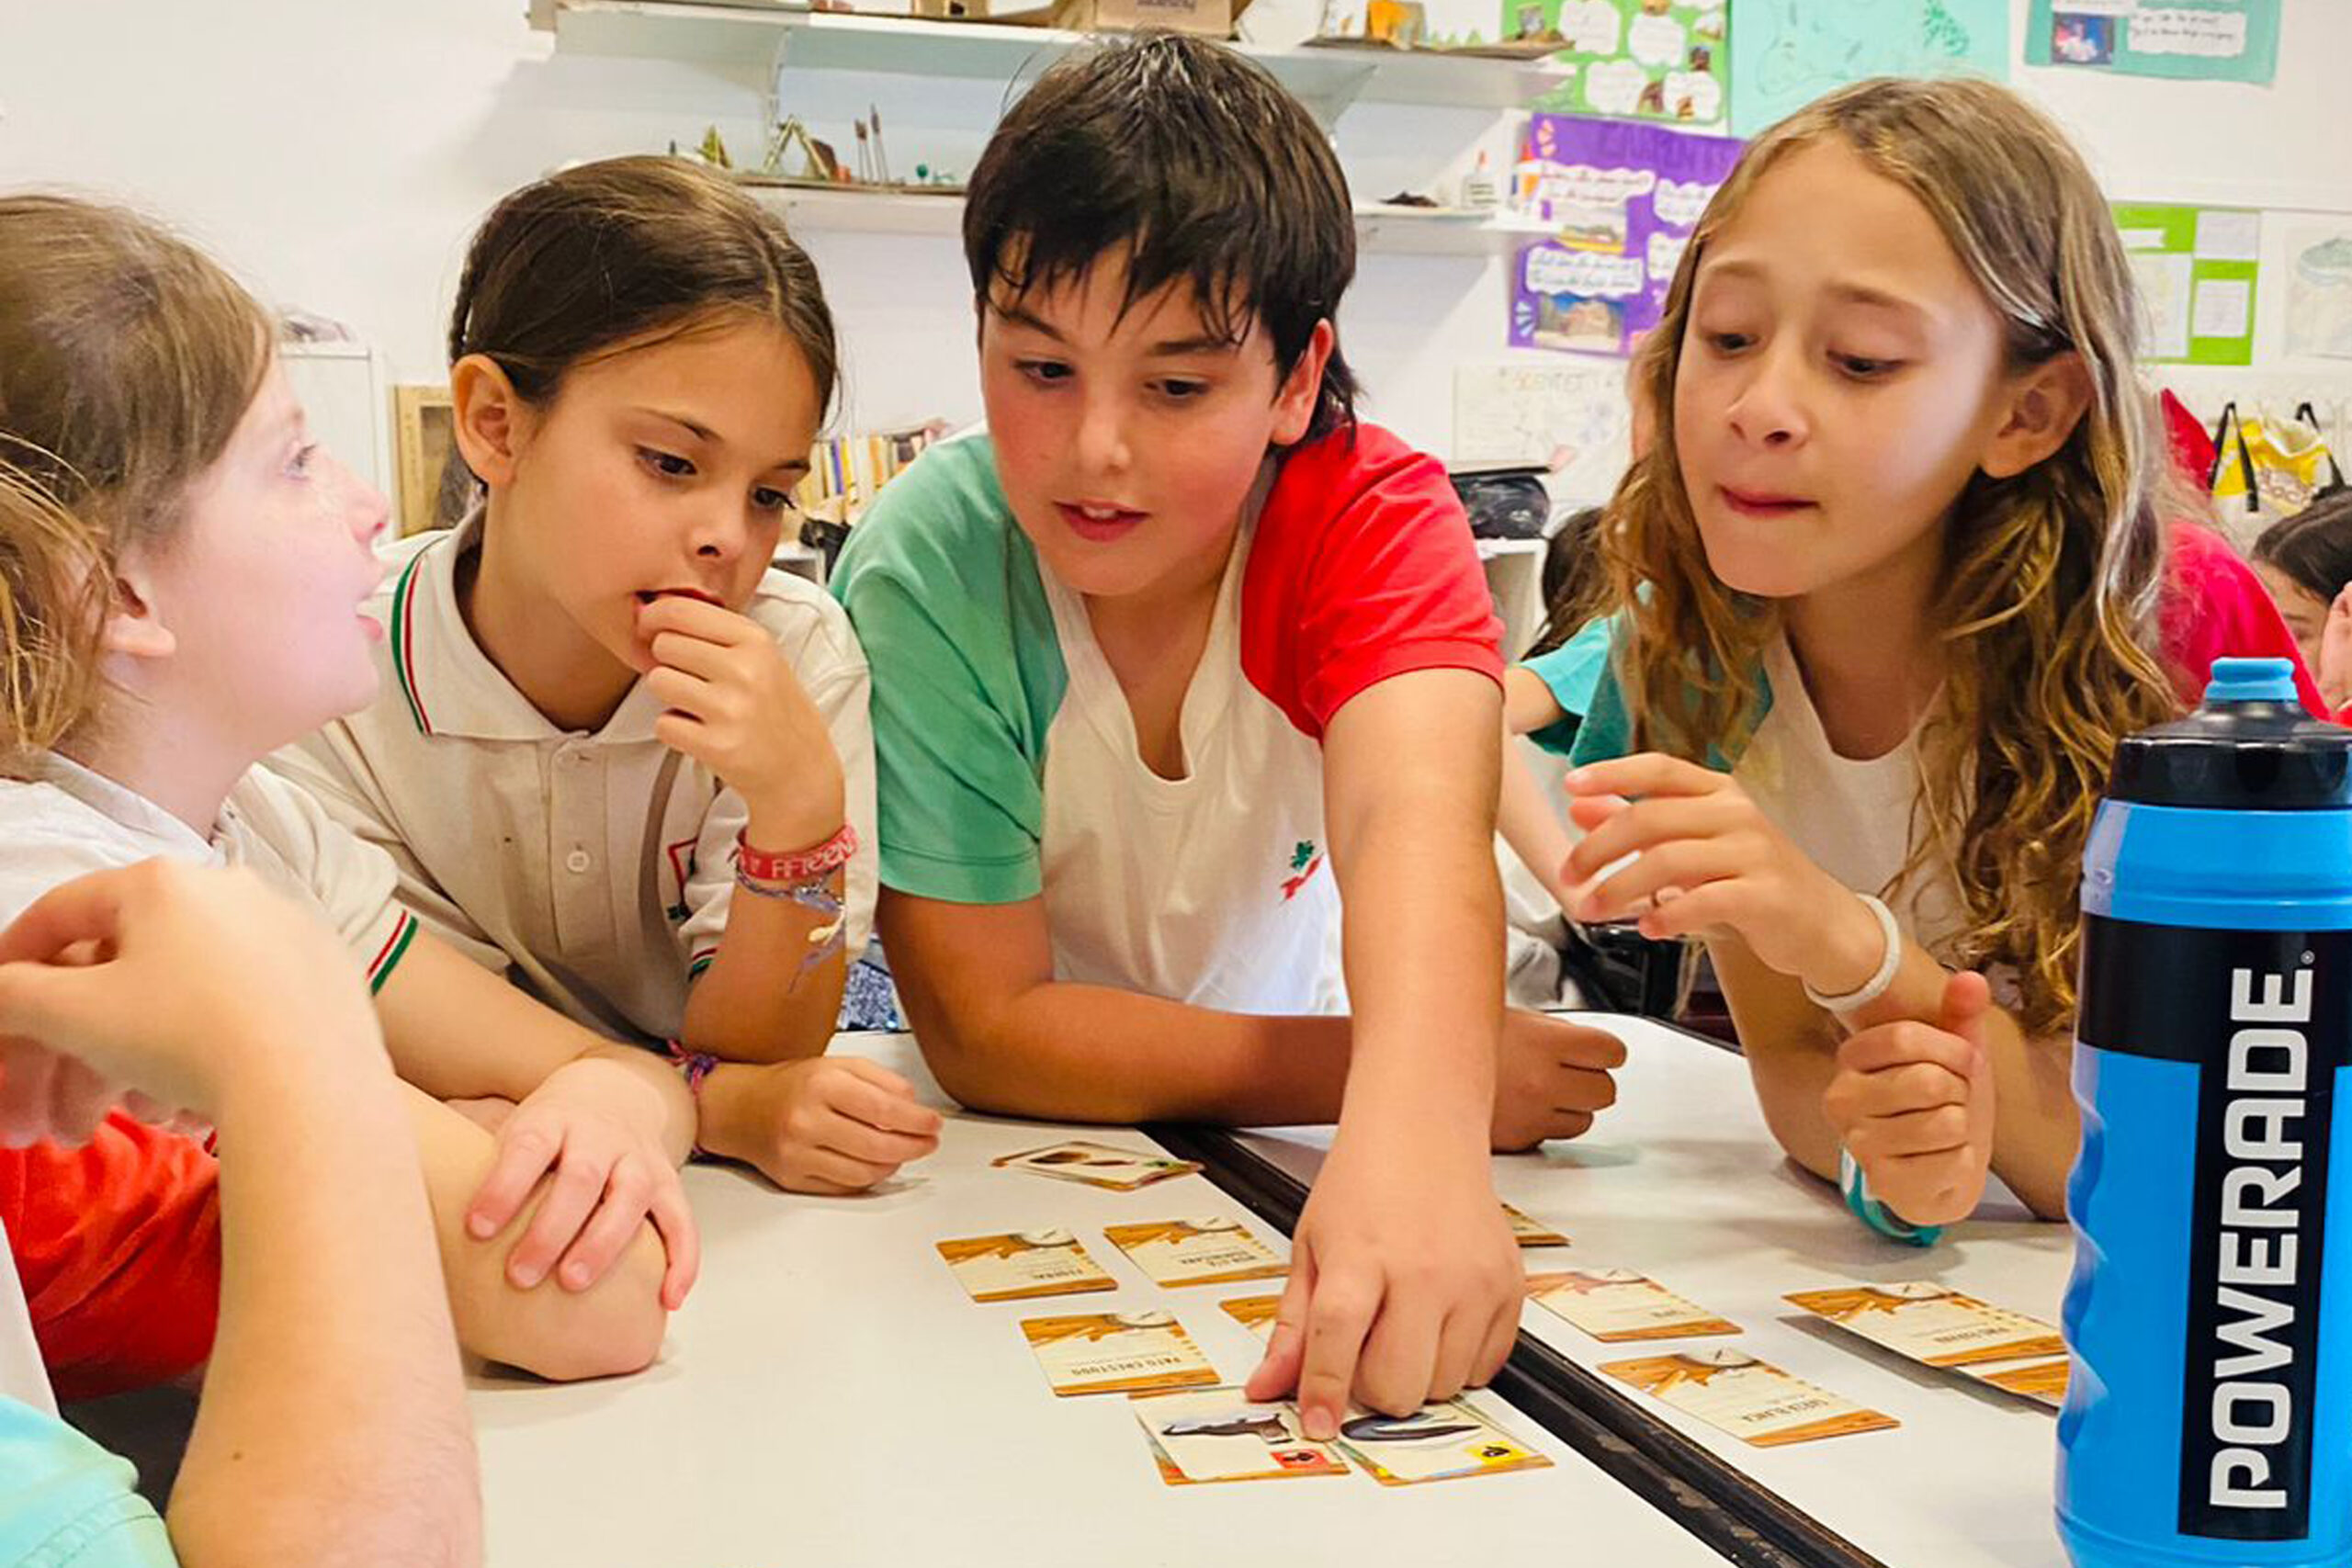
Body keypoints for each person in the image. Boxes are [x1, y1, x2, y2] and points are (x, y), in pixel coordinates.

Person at [830, 36, 1624, 1437]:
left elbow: (1414, 815)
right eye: (1039, 367)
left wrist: (1418, 1116)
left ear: (1299, 376)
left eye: (1179, 387)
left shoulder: (1369, 516)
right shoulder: (929, 563)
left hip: (1284, 1139)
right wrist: (1393, 1075)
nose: (1095, 451)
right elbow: (989, 1028)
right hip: (1013, 1162)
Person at [1554, 78, 2314, 1236]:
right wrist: (1890, 1166)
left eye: (1859, 361)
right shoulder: (1690, 640)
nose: (1759, 405)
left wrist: (1853, 946)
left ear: (2029, 413)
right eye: (1726, 338)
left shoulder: (2178, 638)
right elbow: (1802, 1074)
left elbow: (2232, 1170)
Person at [0, 195, 693, 1395]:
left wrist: (576, 1109)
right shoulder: (62, 910)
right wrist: (472, 1130)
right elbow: (600, 1297)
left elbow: (620, 1073)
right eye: (296, 461)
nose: (372, 505)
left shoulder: (261, 821)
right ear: (117, 595)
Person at [272, 156, 942, 1196]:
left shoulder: (796, 653)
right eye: (671, 463)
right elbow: (399, 1041)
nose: (728, 537)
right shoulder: (329, 664)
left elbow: (773, 1055)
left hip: (709, 1206)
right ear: (495, 423)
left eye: (770, 493)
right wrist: (722, 1105)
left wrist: (799, 808)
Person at [0, 861, 482, 1568]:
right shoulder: (63, 866)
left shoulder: (256, 833)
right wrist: (298, 1051)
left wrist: (621, 1087)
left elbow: (571, 1294)